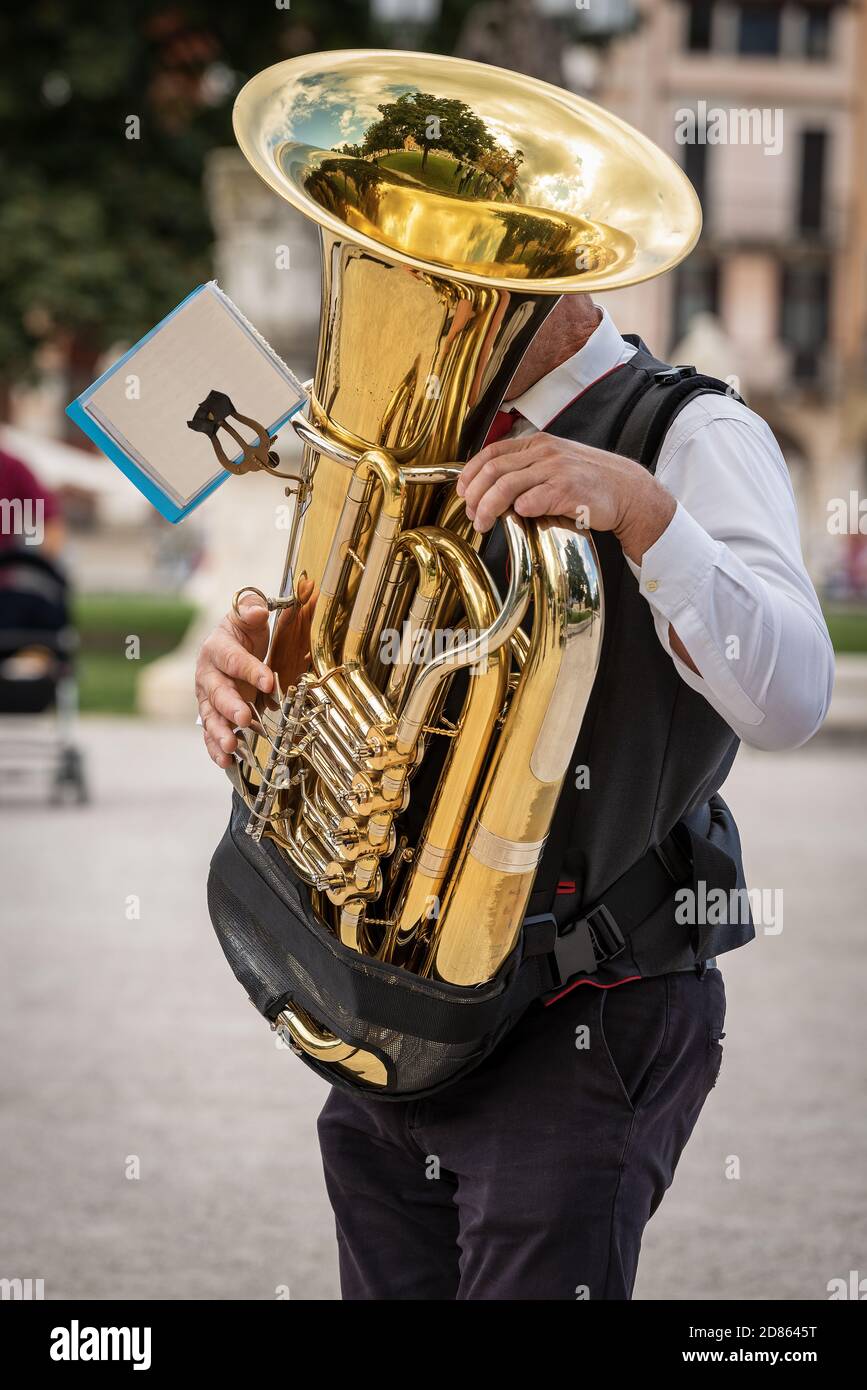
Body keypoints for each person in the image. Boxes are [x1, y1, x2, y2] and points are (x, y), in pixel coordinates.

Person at [195, 296, 834, 1300]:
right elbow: (353, 661)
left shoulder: (696, 431)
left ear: (570, 273)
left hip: (583, 1014)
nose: (419, 281)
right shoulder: (427, 428)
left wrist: (646, 513)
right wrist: (259, 668)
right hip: (390, 1003)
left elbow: (793, 698)